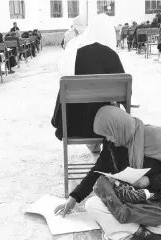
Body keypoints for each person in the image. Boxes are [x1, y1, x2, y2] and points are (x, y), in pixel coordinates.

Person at [54, 105, 161, 240]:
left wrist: (150, 181)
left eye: (109, 135)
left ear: (118, 127)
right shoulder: (113, 143)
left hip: (157, 200)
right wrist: (74, 197)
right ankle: (144, 232)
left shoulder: (154, 136)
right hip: (130, 200)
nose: (108, 140)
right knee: (92, 205)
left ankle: (134, 228)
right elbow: (97, 171)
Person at [52, 14, 124, 154]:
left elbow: (63, 89)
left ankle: (93, 144)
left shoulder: (75, 55)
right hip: (106, 126)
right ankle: (106, 148)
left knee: (85, 104)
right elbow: (126, 96)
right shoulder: (112, 55)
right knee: (109, 105)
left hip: (75, 125)